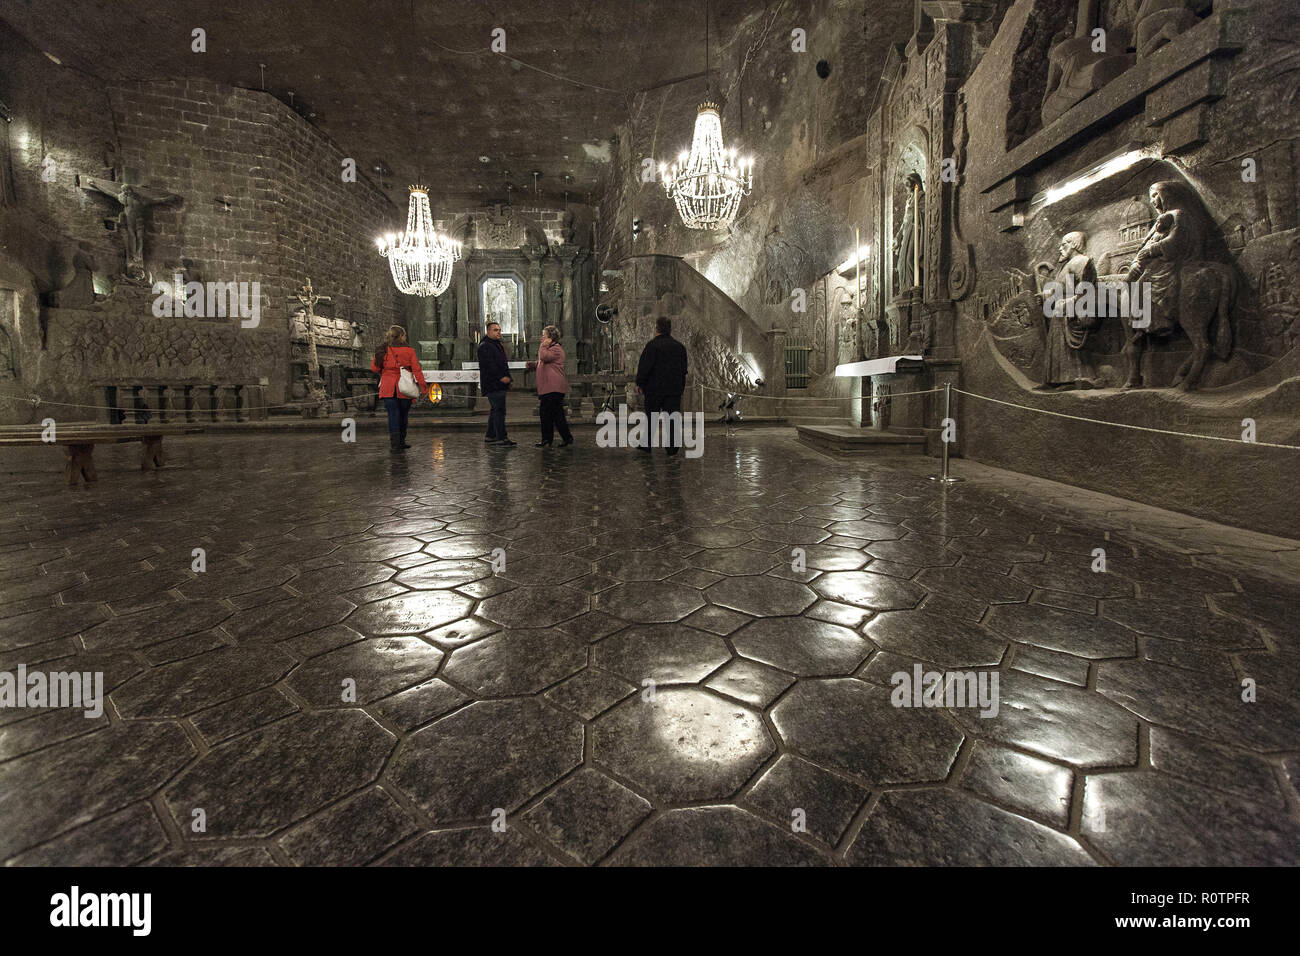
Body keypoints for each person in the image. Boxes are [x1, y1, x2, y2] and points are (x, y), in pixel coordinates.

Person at [635, 316, 689, 456]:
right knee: (672, 419)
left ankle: (646, 444)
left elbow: (645, 367)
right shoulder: (679, 347)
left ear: (657, 329)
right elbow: (683, 370)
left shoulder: (652, 346)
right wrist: (680, 387)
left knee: (651, 418)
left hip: (654, 389)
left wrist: (640, 383)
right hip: (673, 389)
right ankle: (672, 447)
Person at [370, 325, 427, 454]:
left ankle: (394, 443)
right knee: (403, 414)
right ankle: (401, 441)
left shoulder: (382, 350)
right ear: (401, 337)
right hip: (404, 387)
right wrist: (423, 387)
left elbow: (374, 368)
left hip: (388, 386)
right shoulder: (409, 351)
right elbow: (417, 370)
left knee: (392, 415)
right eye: (404, 335)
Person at [526, 324, 574, 448]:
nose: (542, 338)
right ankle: (556, 439)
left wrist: (543, 345)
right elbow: (544, 362)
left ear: (550, 337)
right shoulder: (550, 348)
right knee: (552, 415)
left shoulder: (556, 348)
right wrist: (534, 365)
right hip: (549, 388)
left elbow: (544, 357)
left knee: (552, 415)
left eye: (544, 336)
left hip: (553, 388)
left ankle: (551, 439)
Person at [478, 321, 515, 446]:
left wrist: (508, 378)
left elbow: (503, 364)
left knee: (495, 410)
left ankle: (490, 436)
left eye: (499, 330)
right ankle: (501, 438)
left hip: (498, 383)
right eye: (495, 330)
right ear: (488, 332)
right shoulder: (485, 345)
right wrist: (501, 378)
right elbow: (490, 366)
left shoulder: (496, 344)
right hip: (493, 384)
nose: (498, 332)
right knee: (499, 411)